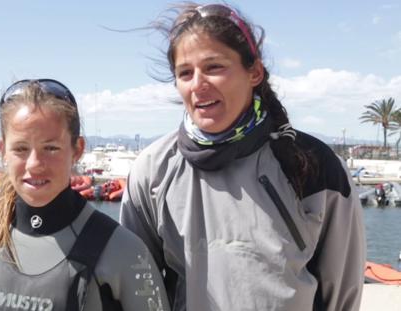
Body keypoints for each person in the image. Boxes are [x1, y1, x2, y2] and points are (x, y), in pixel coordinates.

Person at [119, 3, 366, 311]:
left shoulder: (314, 166)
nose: (198, 84)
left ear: (254, 72)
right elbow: (138, 289)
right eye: (185, 73)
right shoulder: (152, 170)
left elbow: (342, 293)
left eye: (214, 67)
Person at [0, 79, 169, 311]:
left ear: (77, 150)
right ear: (3, 151)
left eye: (50, 148)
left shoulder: (123, 251)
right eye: (20, 148)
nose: (34, 164)